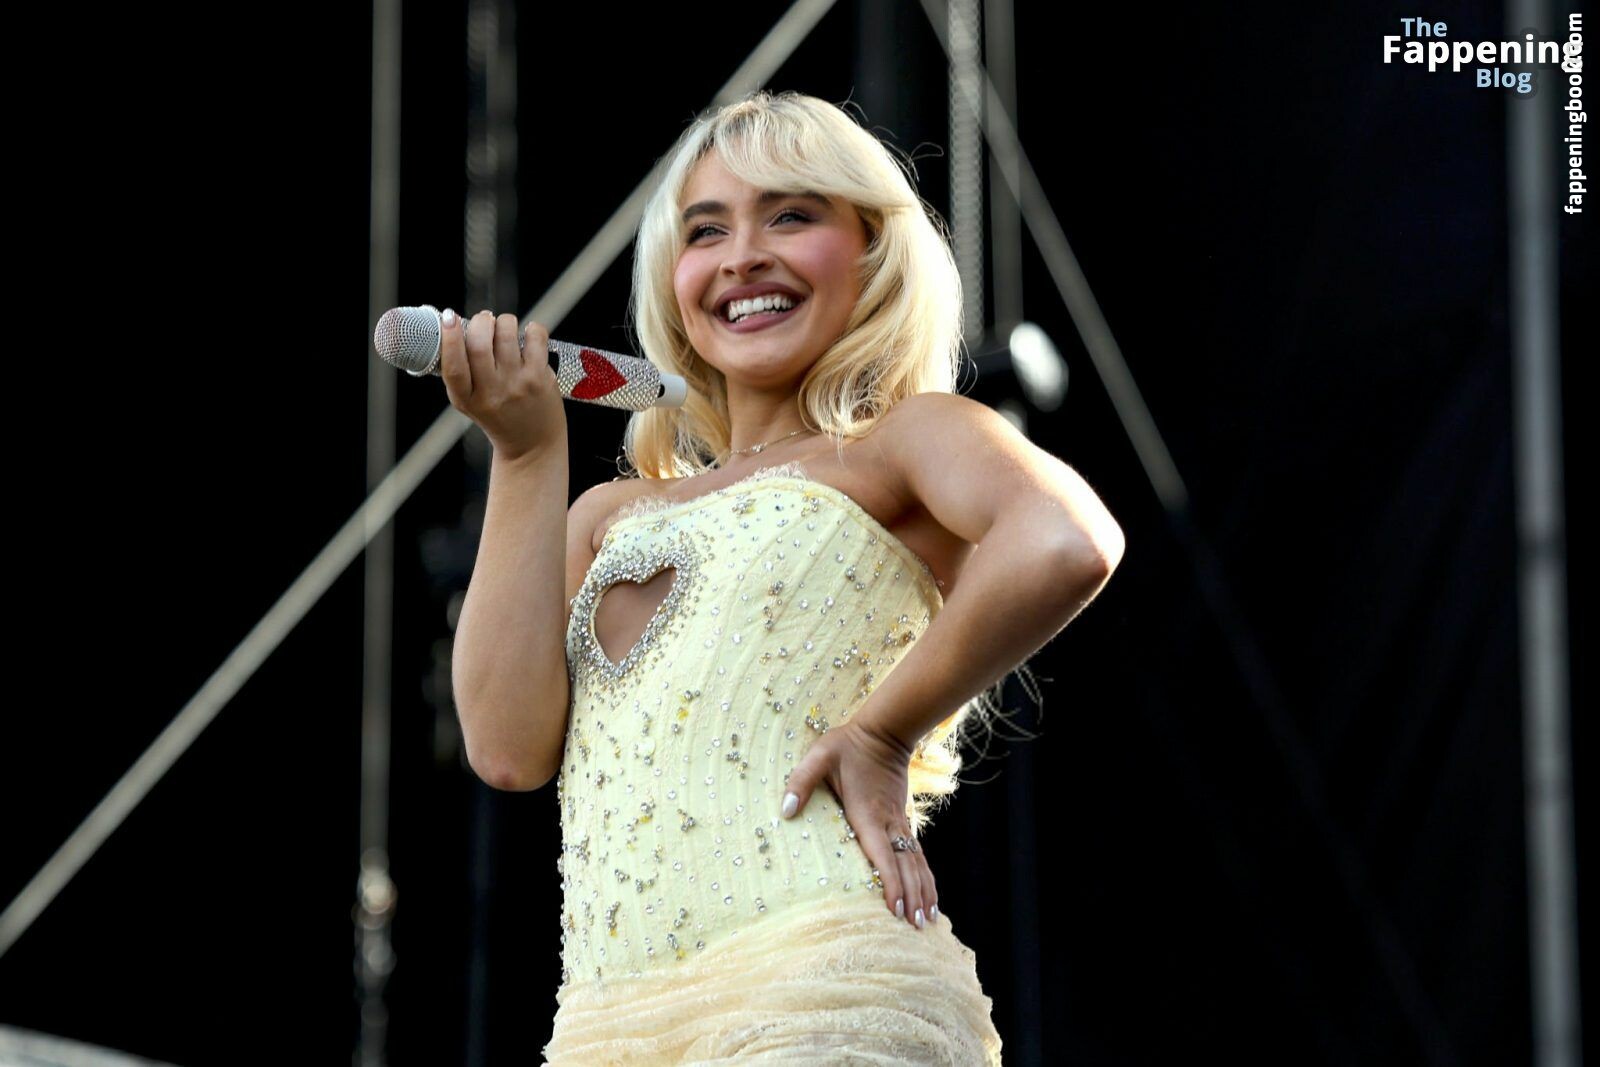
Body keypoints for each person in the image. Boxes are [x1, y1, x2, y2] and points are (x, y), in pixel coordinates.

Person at [443, 90, 1126, 1064]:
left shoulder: (900, 442)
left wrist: (882, 733)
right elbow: (507, 747)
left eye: (791, 216)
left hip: (817, 986)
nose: (742, 255)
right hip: (607, 1029)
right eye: (705, 230)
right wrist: (523, 457)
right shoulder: (605, 514)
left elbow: (1063, 537)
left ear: (872, 251)